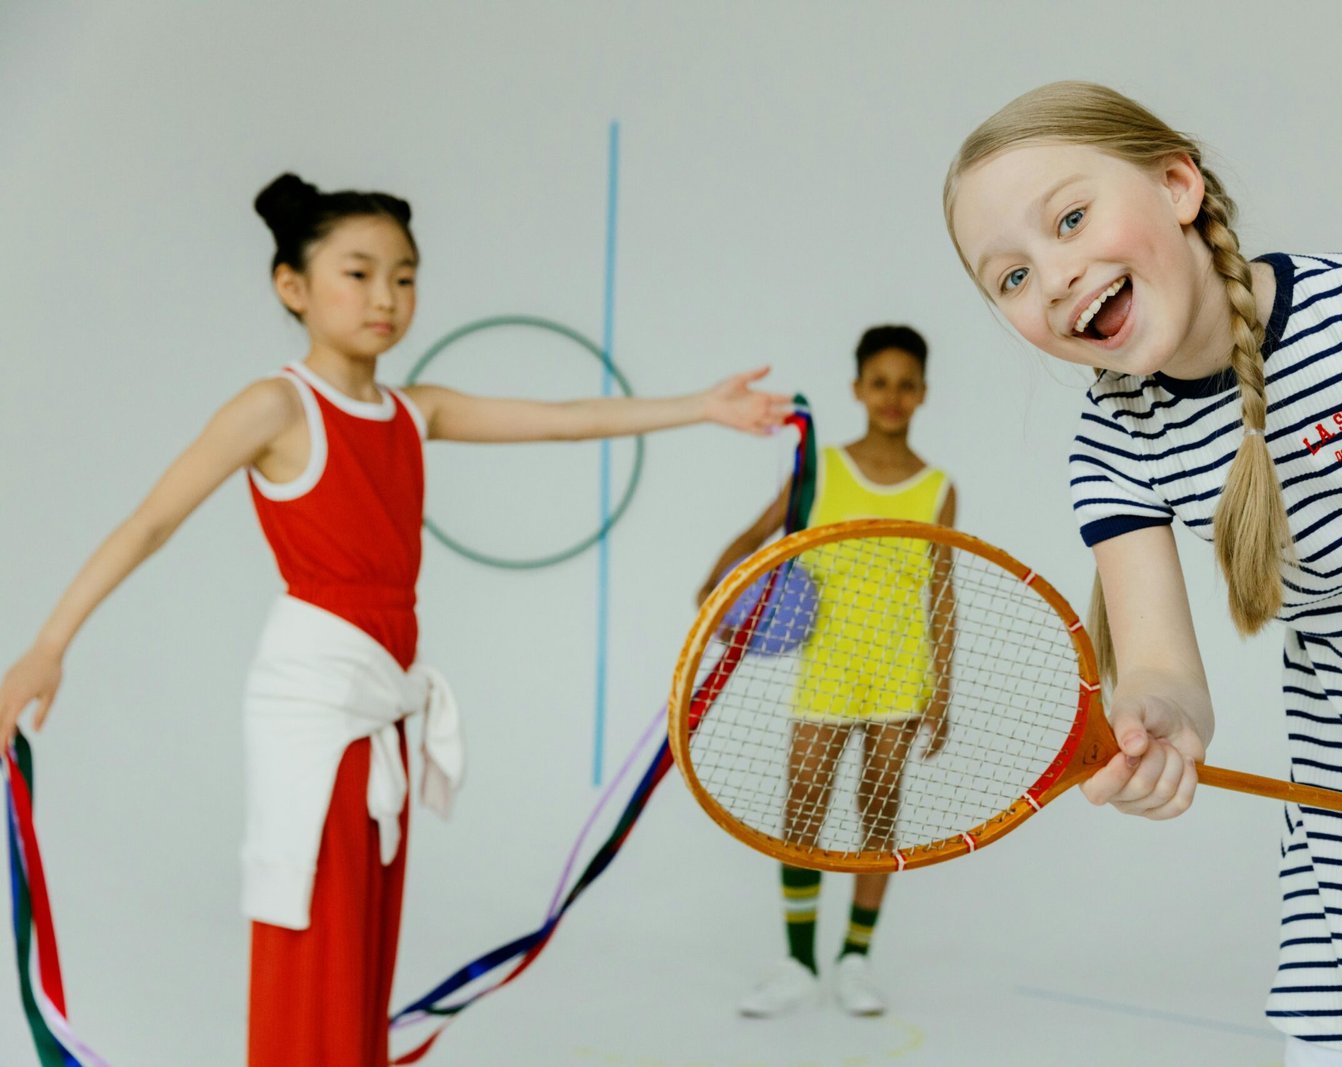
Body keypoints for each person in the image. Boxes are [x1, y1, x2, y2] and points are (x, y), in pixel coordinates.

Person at [0, 172, 788, 1066]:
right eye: (359, 272)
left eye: (405, 276)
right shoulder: (276, 406)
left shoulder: (416, 411)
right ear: (291, 287)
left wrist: (703, 406)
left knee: (366, 942)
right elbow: (150, 521)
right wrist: (46, 646)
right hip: (317, 706)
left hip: (386, 706)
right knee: (314, 934)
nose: (386, 297)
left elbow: (567, 420)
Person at [944, 82, 1342, 1066]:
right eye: (1009, 277)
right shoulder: (1113, 444)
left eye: (1070, 217)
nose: (1054, 276)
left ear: (1176, 184)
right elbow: (1163, 667)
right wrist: (1159, 717)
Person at [697, 324, 957, 1018]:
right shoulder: (823, 471)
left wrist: (941, 692)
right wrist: (712, 591)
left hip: (901, 672)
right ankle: (797, 960)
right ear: (857, 389)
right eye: (881, 382)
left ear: (923, 393)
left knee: (879, 804)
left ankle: (854, 960)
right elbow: (757, 536)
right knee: (803, 801)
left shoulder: (937, 488)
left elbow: (942, 593)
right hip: (828, 666)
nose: (893, 395)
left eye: (907, 384)